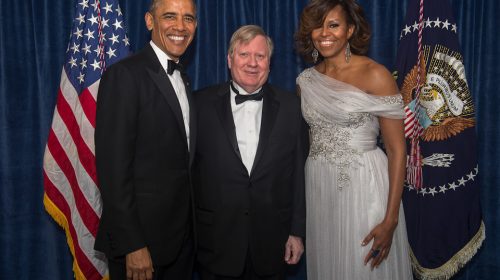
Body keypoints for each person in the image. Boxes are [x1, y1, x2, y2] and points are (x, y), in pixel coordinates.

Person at [295, 0, 413, 279]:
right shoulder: (305, 82)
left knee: (363, 267)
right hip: (319, 187)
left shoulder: (376, 74)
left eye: (333, 25)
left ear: (349, 30)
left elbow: (398, 150)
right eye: (317, 26)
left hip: (365, 186)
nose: (324, 33)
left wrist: (391, 219)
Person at [193, 25, 307, 280]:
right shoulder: (199, 104)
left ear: (269, 62)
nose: (252, 63)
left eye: (260, 56)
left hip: (272, 243)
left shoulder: (291, 107)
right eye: (244, 54)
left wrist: (297, 232)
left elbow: (298, 174)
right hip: (214, 243)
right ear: (229, 59)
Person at [93, 0, 197, 279]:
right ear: (150, 21)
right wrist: (133, 244)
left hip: (181, 243)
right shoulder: (124, 75)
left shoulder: (184, 80)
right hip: (141, 247)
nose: (180, 26)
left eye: (188, 18)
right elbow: (113, 170)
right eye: (170, 16)